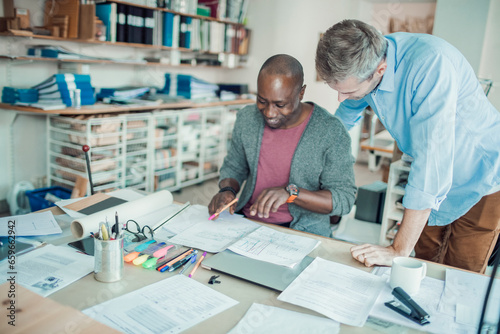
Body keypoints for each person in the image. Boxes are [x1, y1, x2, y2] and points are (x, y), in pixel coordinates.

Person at [316, 19, 500, 273]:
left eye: (349, 91)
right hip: (433, 175)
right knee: (423, 262)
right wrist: (314, 153)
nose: (341, 98)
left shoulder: (431, 64)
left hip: (481, 174)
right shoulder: (367, 58)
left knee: (460, 273)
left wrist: (397, 250)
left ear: (380, 70)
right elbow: (345, 115)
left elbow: (431, 161)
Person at [208, 54, 356, 237]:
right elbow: (234, 167)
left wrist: (292, 193)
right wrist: (227, 190)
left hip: (301, 232)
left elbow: (344, 198)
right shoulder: (247, 118)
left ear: (301, 93)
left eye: (280, 104)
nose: (269, 113)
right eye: (262, 101)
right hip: (245, 221)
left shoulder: (330, 131)